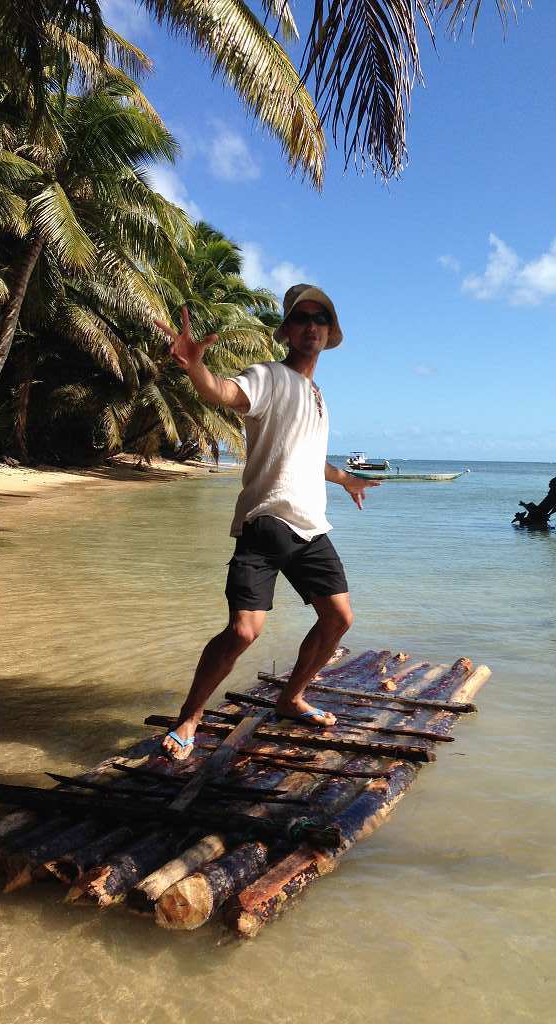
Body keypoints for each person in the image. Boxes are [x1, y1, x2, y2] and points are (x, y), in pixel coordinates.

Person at [153, 285, 379, 760]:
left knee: (339, 618)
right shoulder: (270, 377)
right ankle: (188, 718)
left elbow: (311, 457)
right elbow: (225, 392)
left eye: (320, 318)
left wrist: (345, 480)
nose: (311, 325)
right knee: (243, 631)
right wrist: (195, 366)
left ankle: (291, 697)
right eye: (301, 318)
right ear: (288, 331)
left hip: (311, 528)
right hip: (266, 522)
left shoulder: (317, 396)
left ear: (330, 331)